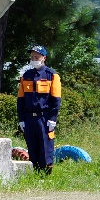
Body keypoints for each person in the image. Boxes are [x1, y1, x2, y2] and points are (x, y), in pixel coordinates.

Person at [16, 45, 62, 173]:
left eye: (37, 57)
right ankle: (35, 173)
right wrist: (21, 119)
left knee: (45, 147)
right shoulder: (26, 76)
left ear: (44, 58)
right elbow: (20, 99)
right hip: (29, 118)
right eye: (32, 57)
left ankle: (46, 174)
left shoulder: (52, 75)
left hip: (45, 117)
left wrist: (53, 119)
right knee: (32, 146)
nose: (34, 59)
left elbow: (56, 100)